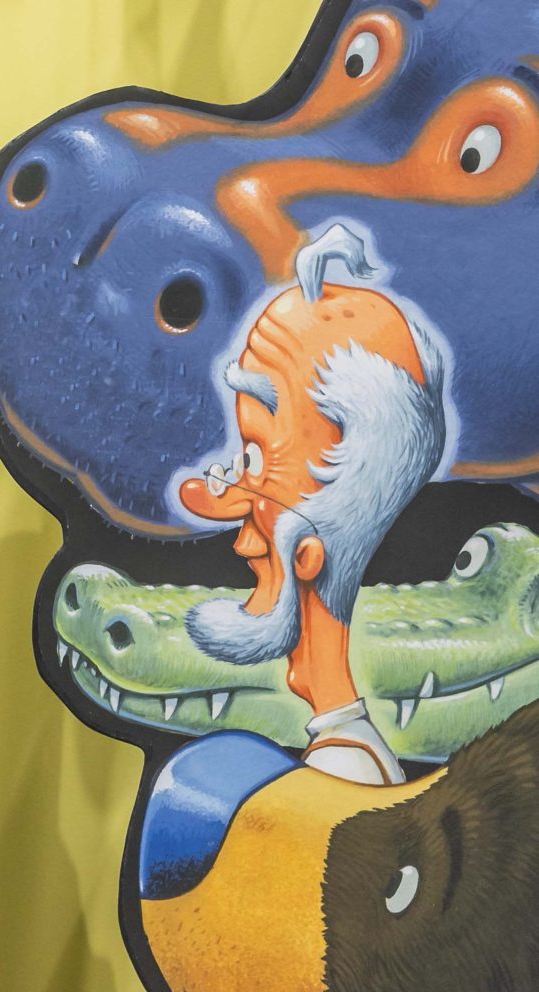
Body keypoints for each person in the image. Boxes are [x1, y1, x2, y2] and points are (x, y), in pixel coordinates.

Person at [175, 220, 448, 785]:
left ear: (307, 554)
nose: (243, 530)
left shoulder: (338, 773)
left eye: (254, 457)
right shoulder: (342, 752)